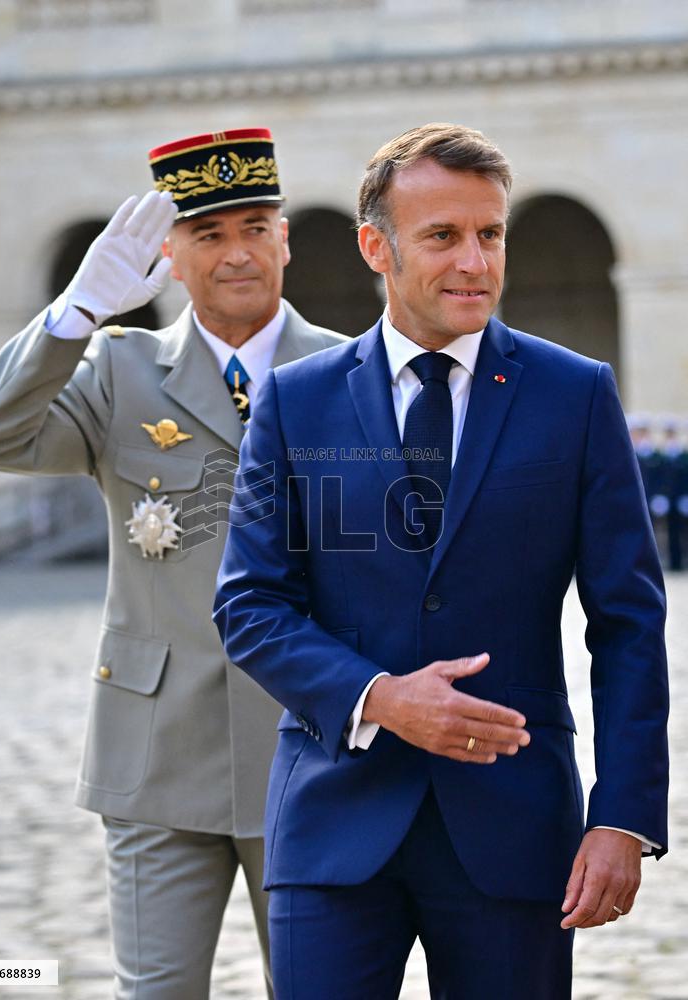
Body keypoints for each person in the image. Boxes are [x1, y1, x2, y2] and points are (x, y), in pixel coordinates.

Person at [213, 123, 669, 999]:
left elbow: (628, 622)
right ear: (375, 247)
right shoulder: (294, 402)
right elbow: (250, 604)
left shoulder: (574, 395)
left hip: (515, 827)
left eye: (489, 234)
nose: (475, 261)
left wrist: (622, 815)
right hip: (332, 822)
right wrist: (380, 698)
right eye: (443, 236)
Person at [0, 127, 344, 1000]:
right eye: (207, 235)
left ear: (285, 238)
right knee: (157, 990)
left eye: (253, 226)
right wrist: (74, 315)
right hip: (157, 752)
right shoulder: (117, 370)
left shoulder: (352, 372)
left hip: (312, 749)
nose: (235, 253)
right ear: (169, 255)